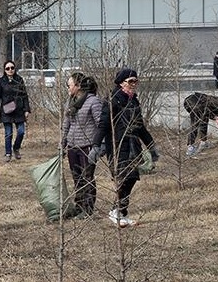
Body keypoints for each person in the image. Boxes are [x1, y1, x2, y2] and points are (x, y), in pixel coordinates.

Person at [91, 68, 158, 228]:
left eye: (136, 81)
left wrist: (151, 146)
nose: (134, 84)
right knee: (124, 178)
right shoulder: (113, 100)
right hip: (117, 145)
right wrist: (95, 145)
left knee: (132, 177)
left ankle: (121, 212)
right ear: (121, 83)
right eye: (131, 81)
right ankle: (116, 212)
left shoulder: (133, 101)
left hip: (132, 145)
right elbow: (103, 124)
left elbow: (140, 127)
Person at [60, 73, 101, 218]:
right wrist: (63, 144)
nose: (68, 88)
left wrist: (98, 146)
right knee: (77, 178)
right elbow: (66, 124)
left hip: (87, 146)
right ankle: (79, 206)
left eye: (69, 85)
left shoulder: (93, 101)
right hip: (72, 145)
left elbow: (101, 125)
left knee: (87, 177)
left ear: (78, 86)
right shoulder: (70, 101)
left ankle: (88, 209)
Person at [0, 61, 31, 161]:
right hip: (6, 111)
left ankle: (16, 148)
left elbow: (24, 95)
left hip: (19, 110)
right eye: (7, 68)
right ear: (4, 70)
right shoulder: (1, 81)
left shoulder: (19, 80)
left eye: (12, 68)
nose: (10, 70)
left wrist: (27, 109)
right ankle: (8, 153)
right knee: (8, 133)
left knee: (21, 132)